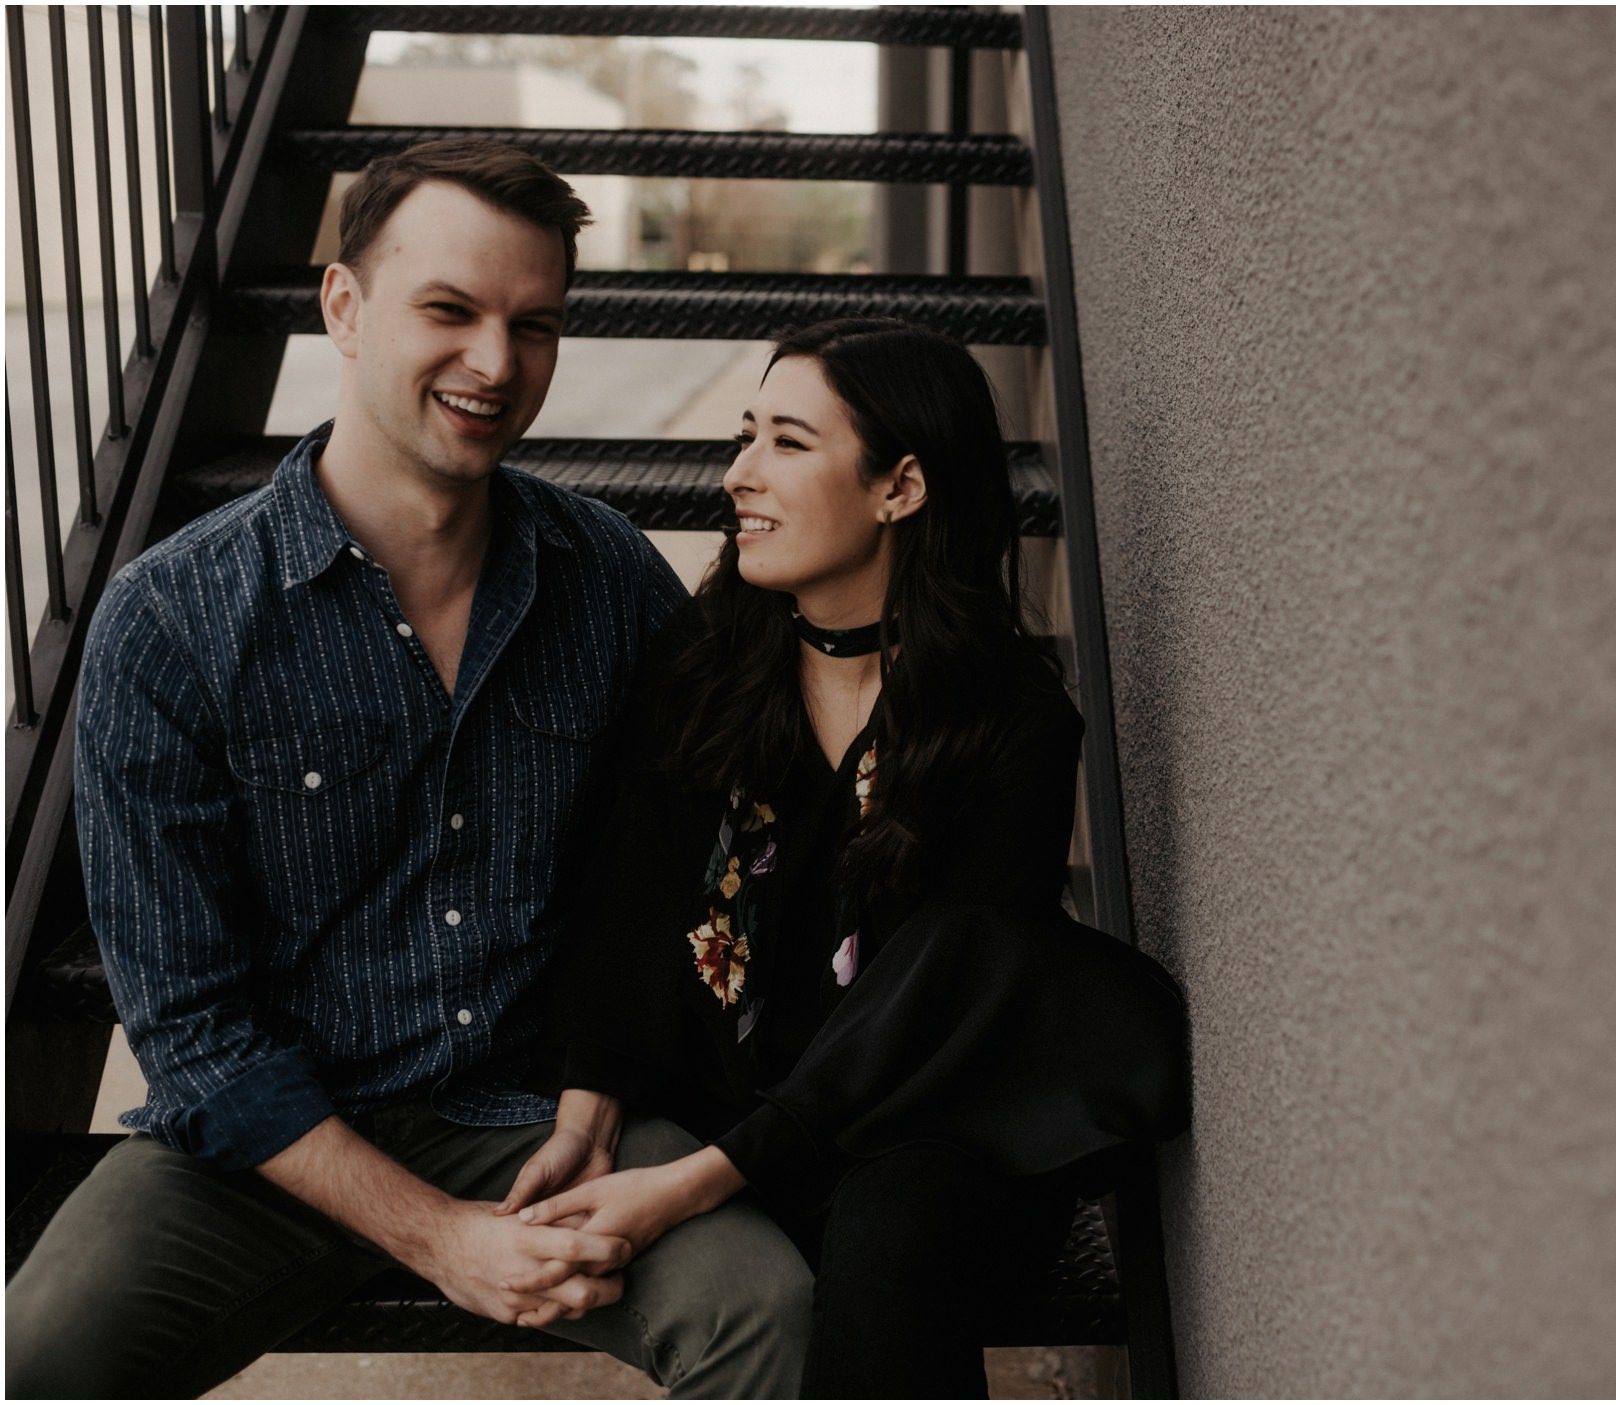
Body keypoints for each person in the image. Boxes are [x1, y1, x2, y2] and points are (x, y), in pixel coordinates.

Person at [4, 139, 812, 1398]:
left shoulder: (609, 580)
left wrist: (600, 1089)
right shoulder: (170, 620)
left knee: (767, 1306)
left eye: (534, 325)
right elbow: (192, 1033)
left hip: (543, 1126)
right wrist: (442, 1240)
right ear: (344, 305)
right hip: (265, 1150)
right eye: (449, 310)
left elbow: (692, 856)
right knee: (35, 1355)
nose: (496, 362)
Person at [492, 319, 1191, 1398]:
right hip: (733, 1101)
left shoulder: (1010, 721)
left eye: (788, 442)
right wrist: (590, 1111)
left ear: (900, 487)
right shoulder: (706, 668)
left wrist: (693, 1183)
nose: (739, 474)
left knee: (890, 1227)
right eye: (745, 436)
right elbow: (629, 900)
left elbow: (933, 998)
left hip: (933, 1123)